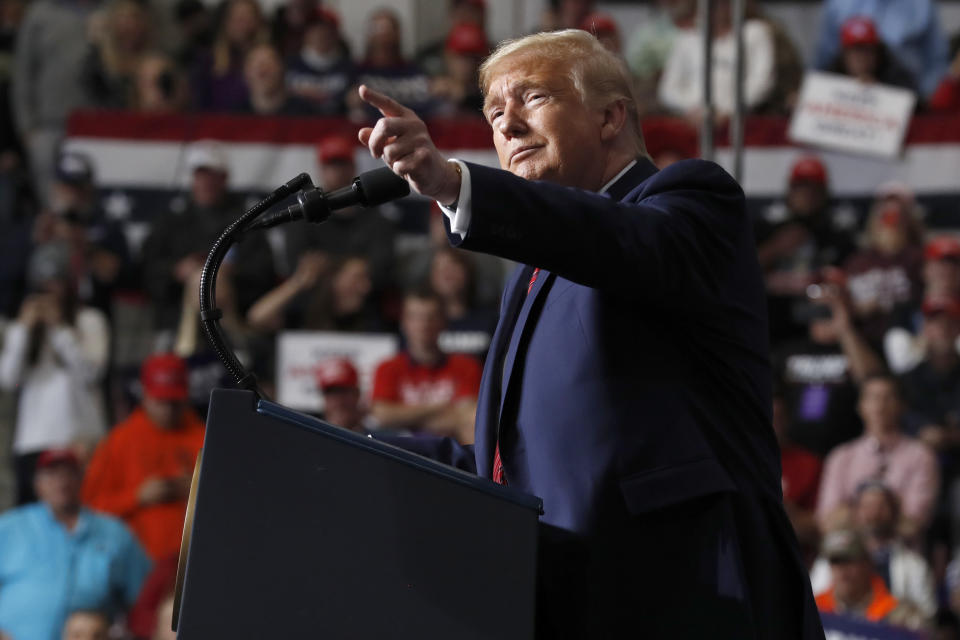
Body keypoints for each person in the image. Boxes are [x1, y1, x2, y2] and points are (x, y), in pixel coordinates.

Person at [355, 28, 823, 638]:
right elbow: (510, 461)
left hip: (685, 591)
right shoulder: (531, 271)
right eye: (495, 112)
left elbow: (618, 242)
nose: (508, 125)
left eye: (532, 98)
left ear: (610, 117)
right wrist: (347, 450)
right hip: (568, 598)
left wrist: (454, 185)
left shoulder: (692, 201)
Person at [0, 449, 151, 640]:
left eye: (68, 473)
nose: (61, 482)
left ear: (82, 478)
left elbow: (144, 599)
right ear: (37, 484)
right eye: (51, 474)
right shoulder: (10, 528)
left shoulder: (115, 533)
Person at [0, 242, 109, 504]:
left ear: (69, 285)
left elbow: (91, 373)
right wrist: (24, 329)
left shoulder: (90, 320)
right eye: (43, 286)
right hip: (32, 440)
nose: (50, 293)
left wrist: (60, 328)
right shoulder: (24, 329)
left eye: (56, 284)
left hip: (79, 437)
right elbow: (8, 379)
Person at [140, 140, 276, 332]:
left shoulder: (246, 222)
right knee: (201, 279)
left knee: (207, 279)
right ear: (193, 178)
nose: (206, 182)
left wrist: (230, 272)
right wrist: (176, 270)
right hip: (174, 314)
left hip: (236, 309)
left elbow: (263, 272)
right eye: (201, 174)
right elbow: (146, 267)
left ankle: (222, 345)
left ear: (225, 178)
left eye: (213, 175)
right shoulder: (170, 223)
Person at [81, 353, 205, 561]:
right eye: (160, 401)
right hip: (138, 567)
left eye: (174, 402)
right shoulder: (119, 441)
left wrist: (197, 491)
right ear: (145, 395)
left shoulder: (205, 436)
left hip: (197, 561)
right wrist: (137, 496)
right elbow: (89, 509)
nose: (167, 409)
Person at [816, 375, 939, 537]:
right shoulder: (841, 456)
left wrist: (853, 512)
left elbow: (913, 524)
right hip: (848, 554)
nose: (880, 406)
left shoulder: (921, 455)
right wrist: (889, 511)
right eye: (873, 398)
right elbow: (827, 522)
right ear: (860, 406)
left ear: (902, 406)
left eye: (888, 397)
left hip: (901, 556)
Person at [811, 482, 936, 619]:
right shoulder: (828, 557)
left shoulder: (915, 565)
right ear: (855, 512)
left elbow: (927, 621)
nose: (873, 513)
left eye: (881, 506)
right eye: (866, 506)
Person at [370, 288, 480, 443]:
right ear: (404, 322)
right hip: (400, 453)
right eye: (416, 317)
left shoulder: (466, 366)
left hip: (451, 455)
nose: (424, 324)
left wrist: (406, 418)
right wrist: (441, 408)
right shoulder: (388, 367)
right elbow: (382, 415)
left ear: (443, 322)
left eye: (431, 317)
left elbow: (468, 417)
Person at [658, 0, 776, 124]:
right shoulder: (686, 38)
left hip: (740, 120)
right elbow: (668, 89)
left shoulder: (755, 32)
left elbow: (762, 82)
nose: (716, 8)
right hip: (691, 119)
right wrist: (693, 109)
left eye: (722, 3)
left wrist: (727, 110)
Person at [813, 0, 948, 99]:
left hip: (905, 93)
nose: (863, 57)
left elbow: (937, 60)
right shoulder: (838, 4)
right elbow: (824, 58)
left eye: (869, 52)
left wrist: (921, 99)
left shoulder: (921, 5)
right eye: (858, 51)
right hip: (843, 95)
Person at [814, 528, 927, 630]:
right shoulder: (815, 608)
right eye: (836, 562)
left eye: (850, 561)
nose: (842, 570)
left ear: (867, 564)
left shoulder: (897, 614)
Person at [285, 6, 354, 116]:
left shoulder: (349, 68)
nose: (320, 34)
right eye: (314, 29)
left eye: (326, 29)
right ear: (305, 32)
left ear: (335, 34)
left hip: (337, 127)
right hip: (295, 126)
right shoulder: (289, 65)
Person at [828, 15, 917, 93]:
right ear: (844, 54)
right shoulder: (827, 76)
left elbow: (915, 102)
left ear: (878, 53)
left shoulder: (897, 77)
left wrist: (880, 90)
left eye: (868, 50)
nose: (862, 57)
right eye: (856, 50)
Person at [238, 43, 313, 116]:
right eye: (255, 66)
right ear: (245, 72)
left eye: (269, 64)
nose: (262, 71)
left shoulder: (306, 114)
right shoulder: (235, 115)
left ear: (282, 69)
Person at [315, 357, 374, 433]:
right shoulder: (309, 437)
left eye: (344, 392)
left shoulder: (375, 439)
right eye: (331, 392)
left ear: (357, 394)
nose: (338, 400)